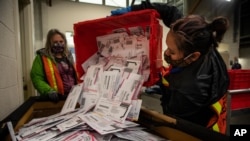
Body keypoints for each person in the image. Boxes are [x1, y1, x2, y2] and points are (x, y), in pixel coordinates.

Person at [111, 1, 229, 134]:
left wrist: (164, 87)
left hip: (203, 131)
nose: (166, 53)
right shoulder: (199, 38)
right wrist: (133, 9)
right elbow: (169, 11)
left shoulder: (188, 90)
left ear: (193, 57)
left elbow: (171, 119)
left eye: (172, 52)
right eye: (168, 46)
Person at [30, 29, 79, 102]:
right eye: (55, 42)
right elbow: (37, 78)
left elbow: (75, 75)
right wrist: (48, 91)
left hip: (73, 97)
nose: (59, 44)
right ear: (49, 43)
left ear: (64, 42)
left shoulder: (68, 56)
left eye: (61, 41)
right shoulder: (42, 58)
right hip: (56, 99)